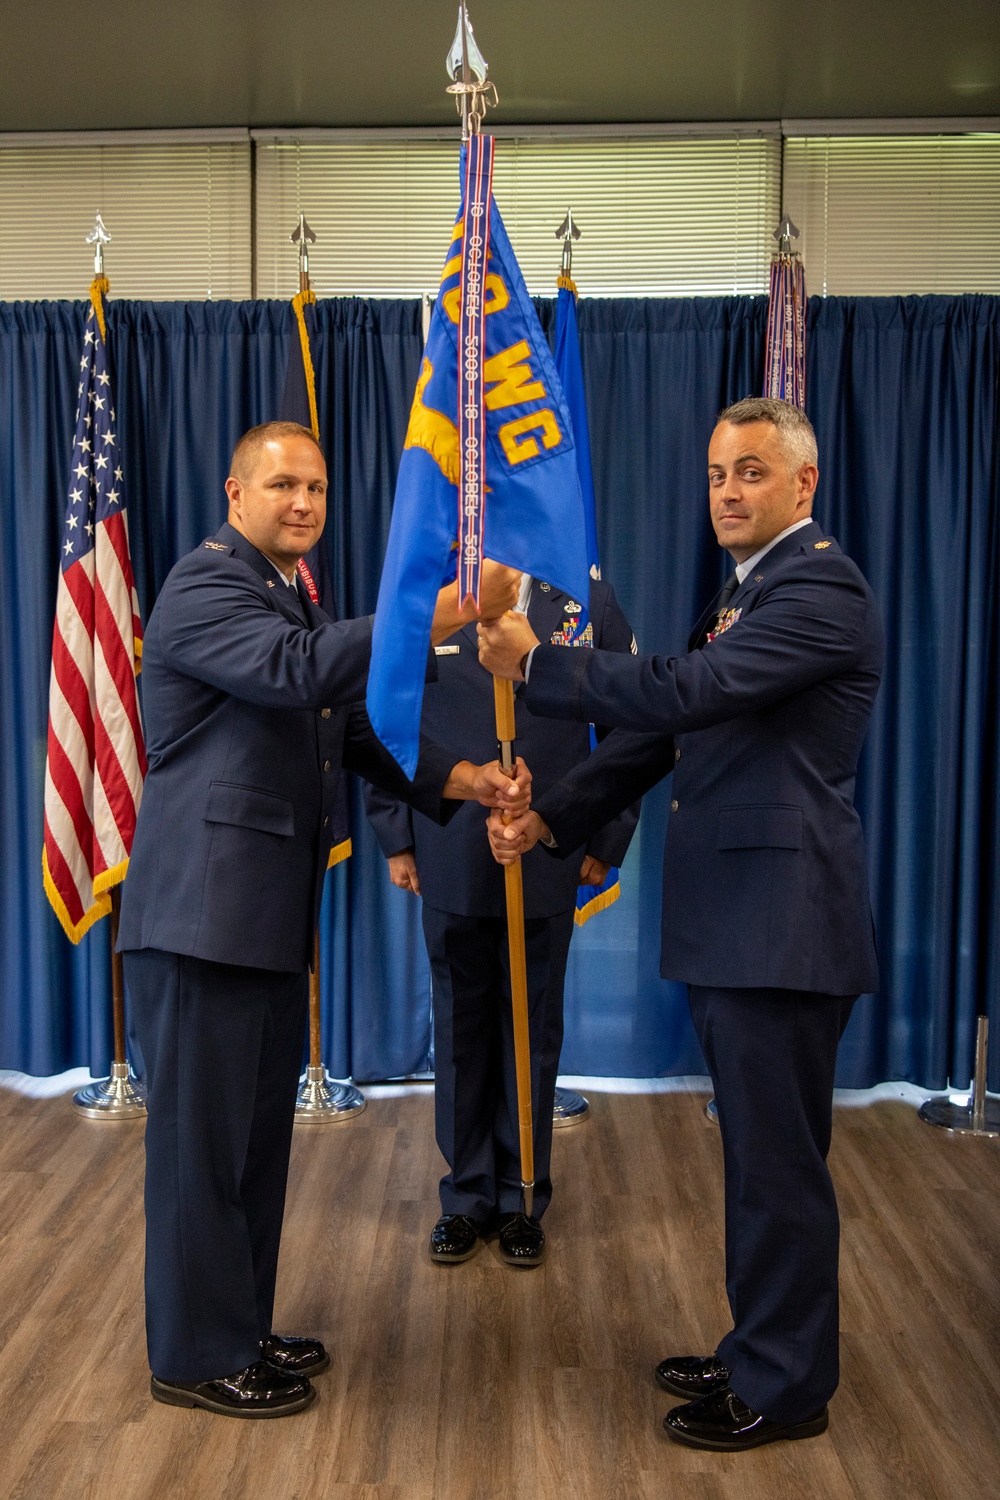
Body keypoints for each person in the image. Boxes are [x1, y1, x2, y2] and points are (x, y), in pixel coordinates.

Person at [477, 397, 883, 1452]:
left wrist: (533, 664)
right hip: (741, 921)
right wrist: (550, 812)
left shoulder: (819, 590)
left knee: (776, 1165)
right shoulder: (747, 595)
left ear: (803, 484)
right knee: (753, 1156)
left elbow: (683, 691)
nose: (726, 493)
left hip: (782, 924)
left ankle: (786, 1386)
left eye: (750, 472)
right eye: (714, 475)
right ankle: (760, 1345)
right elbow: (662, 739)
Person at [118, 421, 529, 1420]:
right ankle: (193, 1355)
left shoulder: (286, 592)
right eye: (282, 485)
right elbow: (298, 675)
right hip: (200, 918)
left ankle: (238, 1325)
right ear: (234, 492)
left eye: (316, 487)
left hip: (255, 916)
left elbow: (348, 725)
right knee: (198, 1153)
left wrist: (459, 778)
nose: (303, 503)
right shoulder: (206, 583)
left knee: (252, 1145)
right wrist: (438, 610)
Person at [364, 573, 640, 1269]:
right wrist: (395, 832)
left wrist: (606, 837)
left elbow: (629, 726)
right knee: (461, 1026)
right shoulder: (432, 592)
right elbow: (384, 716)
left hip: (551, 839)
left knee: (533, 1026)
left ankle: (522, 1195)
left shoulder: (585, 600)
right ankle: (465, 1196)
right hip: (448, 837)